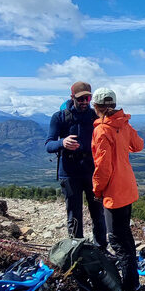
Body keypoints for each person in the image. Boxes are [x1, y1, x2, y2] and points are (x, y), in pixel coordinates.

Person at [91, 87, 144, 291]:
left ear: (97, 107)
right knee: (125, 236)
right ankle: (133, 279)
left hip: (113, 193)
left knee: (118, 240)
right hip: (128, 189)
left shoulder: (102, 130)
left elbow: (103, 167)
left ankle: (131, 288)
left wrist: (97, 189)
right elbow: (138, 145)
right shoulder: (122, 123)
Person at [45, 81, 107, 247]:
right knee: (74, 213)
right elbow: (48, 145)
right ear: (72, 97)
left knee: (98, 212)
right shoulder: (59, 117)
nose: (85, 102)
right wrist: (62, 143)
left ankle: (101, 249)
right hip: (70, 172)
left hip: (92, 171)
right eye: (81, 99)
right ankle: (77, 248)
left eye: (88, 98)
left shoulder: (96, 116)